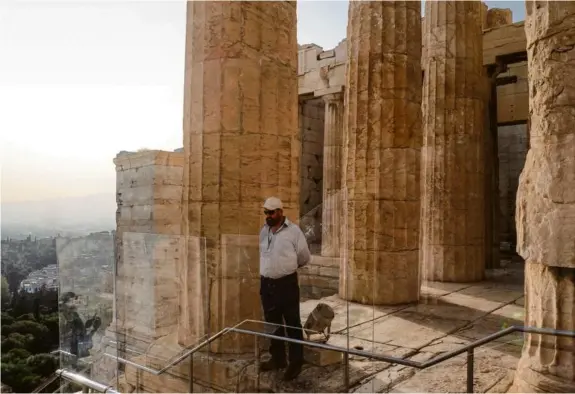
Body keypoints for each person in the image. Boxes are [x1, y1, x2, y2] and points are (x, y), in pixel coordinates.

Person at [259, 196, 311, 381]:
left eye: (272, 212)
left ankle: (296, 362)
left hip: (286, 284)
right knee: (272, 323)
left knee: (292, 323)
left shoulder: (294, 232)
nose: (268, 216)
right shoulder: (264, 231)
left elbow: (304, 257)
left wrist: (286, 269)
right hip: (267, 284)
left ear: (280, 212)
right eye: (266, 212)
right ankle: (278, 358)